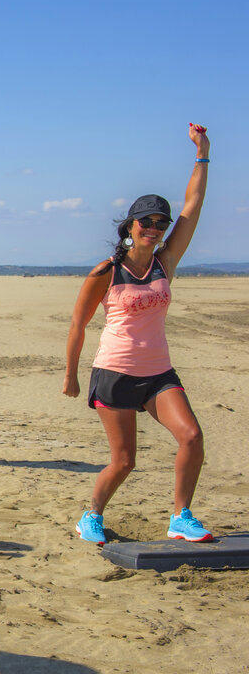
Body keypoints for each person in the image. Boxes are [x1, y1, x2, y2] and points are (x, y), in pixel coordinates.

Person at [64, 123, 212, 546]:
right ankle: (91, 516)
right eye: (146, 220)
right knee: (124, 461)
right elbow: (77, 324)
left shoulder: (166, 261)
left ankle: (181, 516)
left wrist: (202, 154)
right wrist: (71, 375)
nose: (155, 226)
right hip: (115, 371)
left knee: (191, 436)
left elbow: (193, 206)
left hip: (158, 372)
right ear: (130, 225)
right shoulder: (107, 272)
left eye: (161, 222)